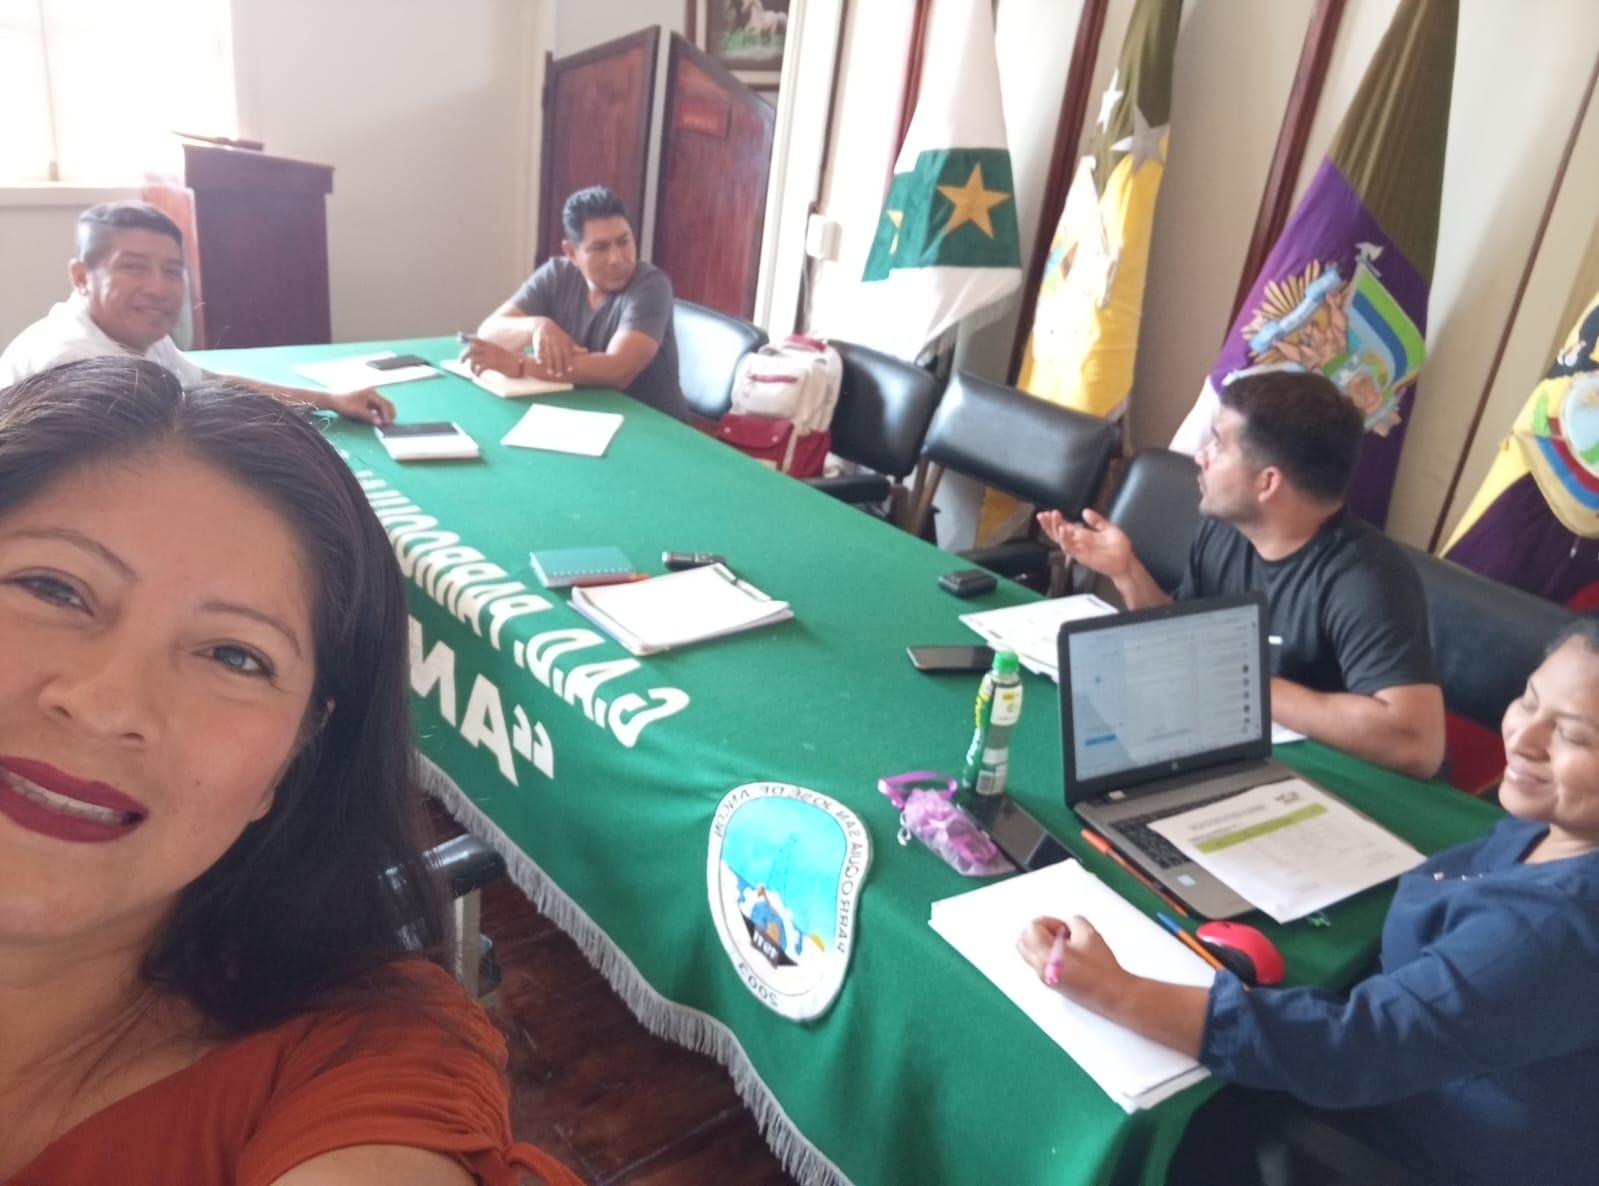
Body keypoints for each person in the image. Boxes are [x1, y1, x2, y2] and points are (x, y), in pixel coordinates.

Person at [0, 358, 580, 1185]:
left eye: (235, 656)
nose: (105, 705)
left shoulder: (352, 1059)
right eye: (53, 588)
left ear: (297, 751)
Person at [1017, 617, 1599, 1186]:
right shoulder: (1551, 830)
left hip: (1427, 1140)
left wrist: (1115, 991)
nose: (1523, 738)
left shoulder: (1552, 929)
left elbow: (1352, 1047)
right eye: (1528, 700)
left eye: (1572, 735)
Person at [1039, 368, 1444, 779]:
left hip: (1335, 784)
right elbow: (1186, 639)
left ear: (1267, 482)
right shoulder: (1227, 528)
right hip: (1239, 755)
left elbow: (1417, 744)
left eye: (1219, 444)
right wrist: (1127, 571)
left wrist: (1244, 683)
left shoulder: (1367, 578)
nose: (1202, 456)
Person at [0, 201, 395, 425]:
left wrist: (330, 399)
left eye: (172, 271)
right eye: (134, 267)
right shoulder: (74, 361)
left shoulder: (131, 331)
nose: (158, 288)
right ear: (81, 277)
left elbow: (206, 383)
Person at [461, 186, 688, 421]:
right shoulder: (557, 275)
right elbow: (488, 332)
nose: (617, 258)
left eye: (624, 242)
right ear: (571, 253)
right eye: (600, 248)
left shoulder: (651, 285)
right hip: (584, 415)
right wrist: (537, 326)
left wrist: (521, 365)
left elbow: (619, 369)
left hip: (652, 424)